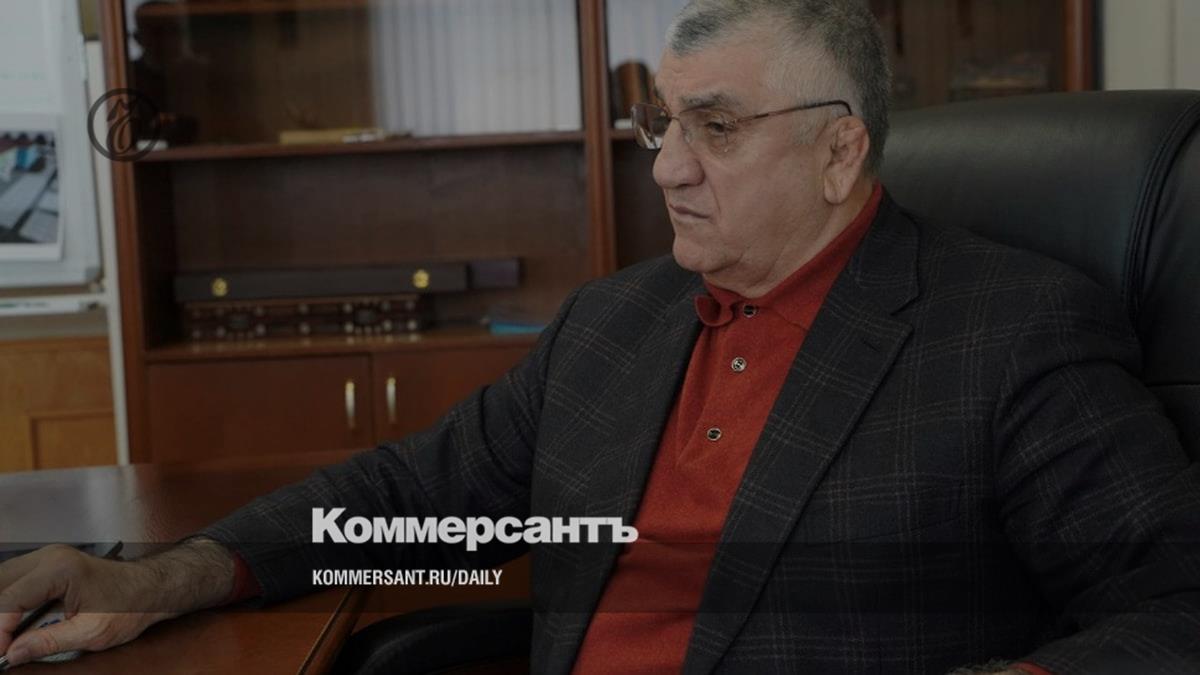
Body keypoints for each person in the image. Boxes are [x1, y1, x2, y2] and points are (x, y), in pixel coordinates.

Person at [3, 0, 1199, 672]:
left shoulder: (1008, 331)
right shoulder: (614, 322)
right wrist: (157, 578)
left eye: (715, 128)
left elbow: (1174, 603)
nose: (666, 168)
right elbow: (412, 499)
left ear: (840, 152)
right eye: (659, 126)